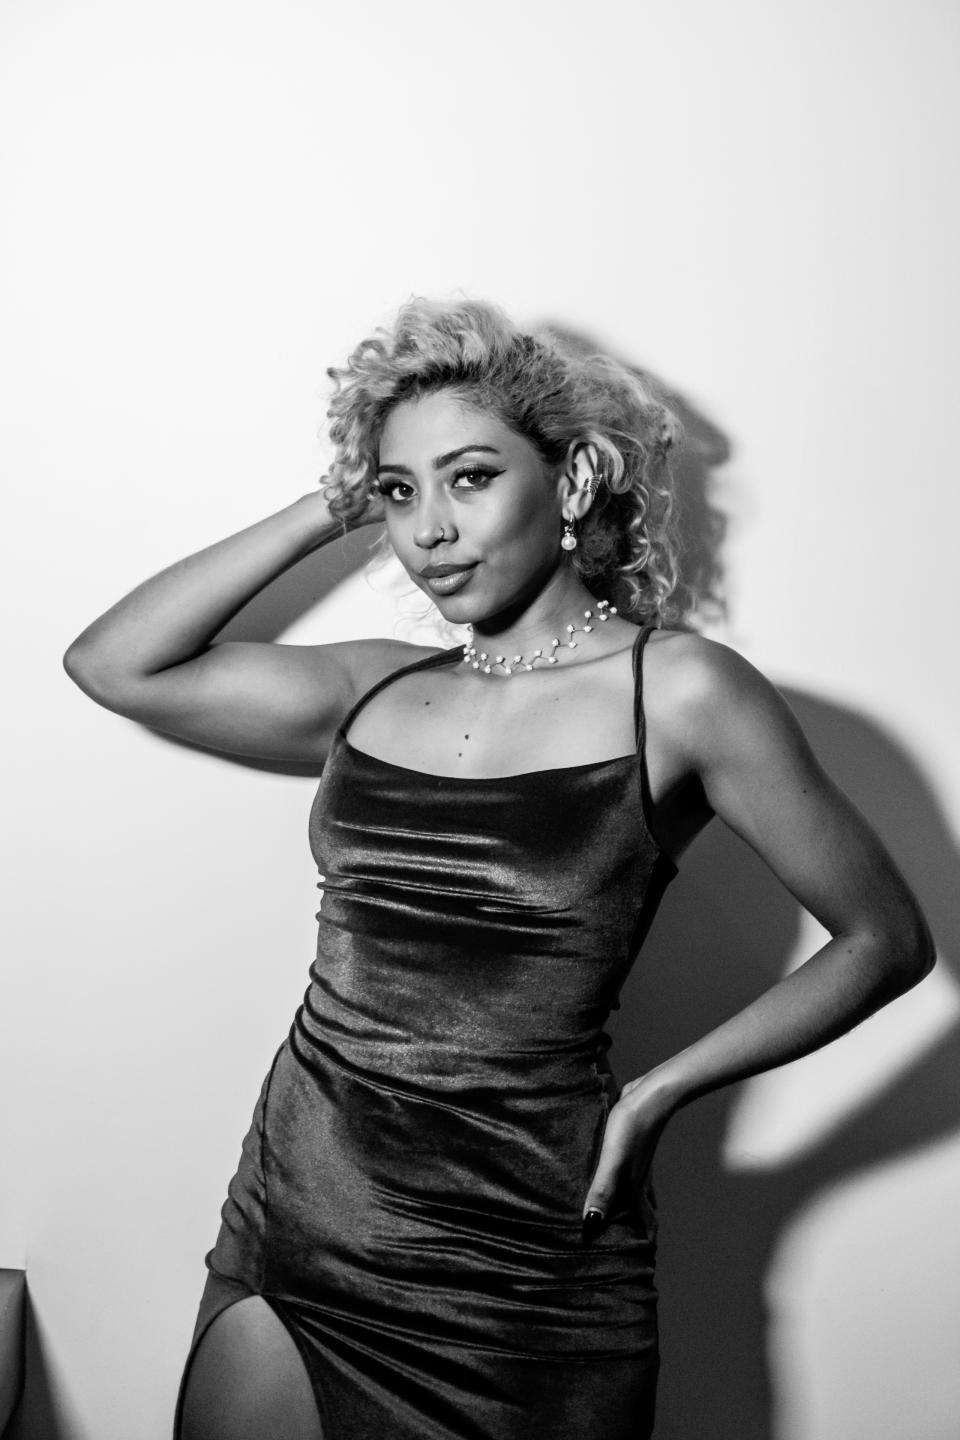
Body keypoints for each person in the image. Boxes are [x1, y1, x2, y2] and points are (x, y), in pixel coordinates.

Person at [63, 297, 934, 1440]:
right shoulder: (375, 687)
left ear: (572, 485)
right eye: (399, 493)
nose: (429, 530)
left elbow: (886, 940)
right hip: (307, 1210)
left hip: (530, 1256)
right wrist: (335, 500)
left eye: (470, 478)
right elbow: (113, 662)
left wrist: (662, 1093)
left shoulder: (680, 693)